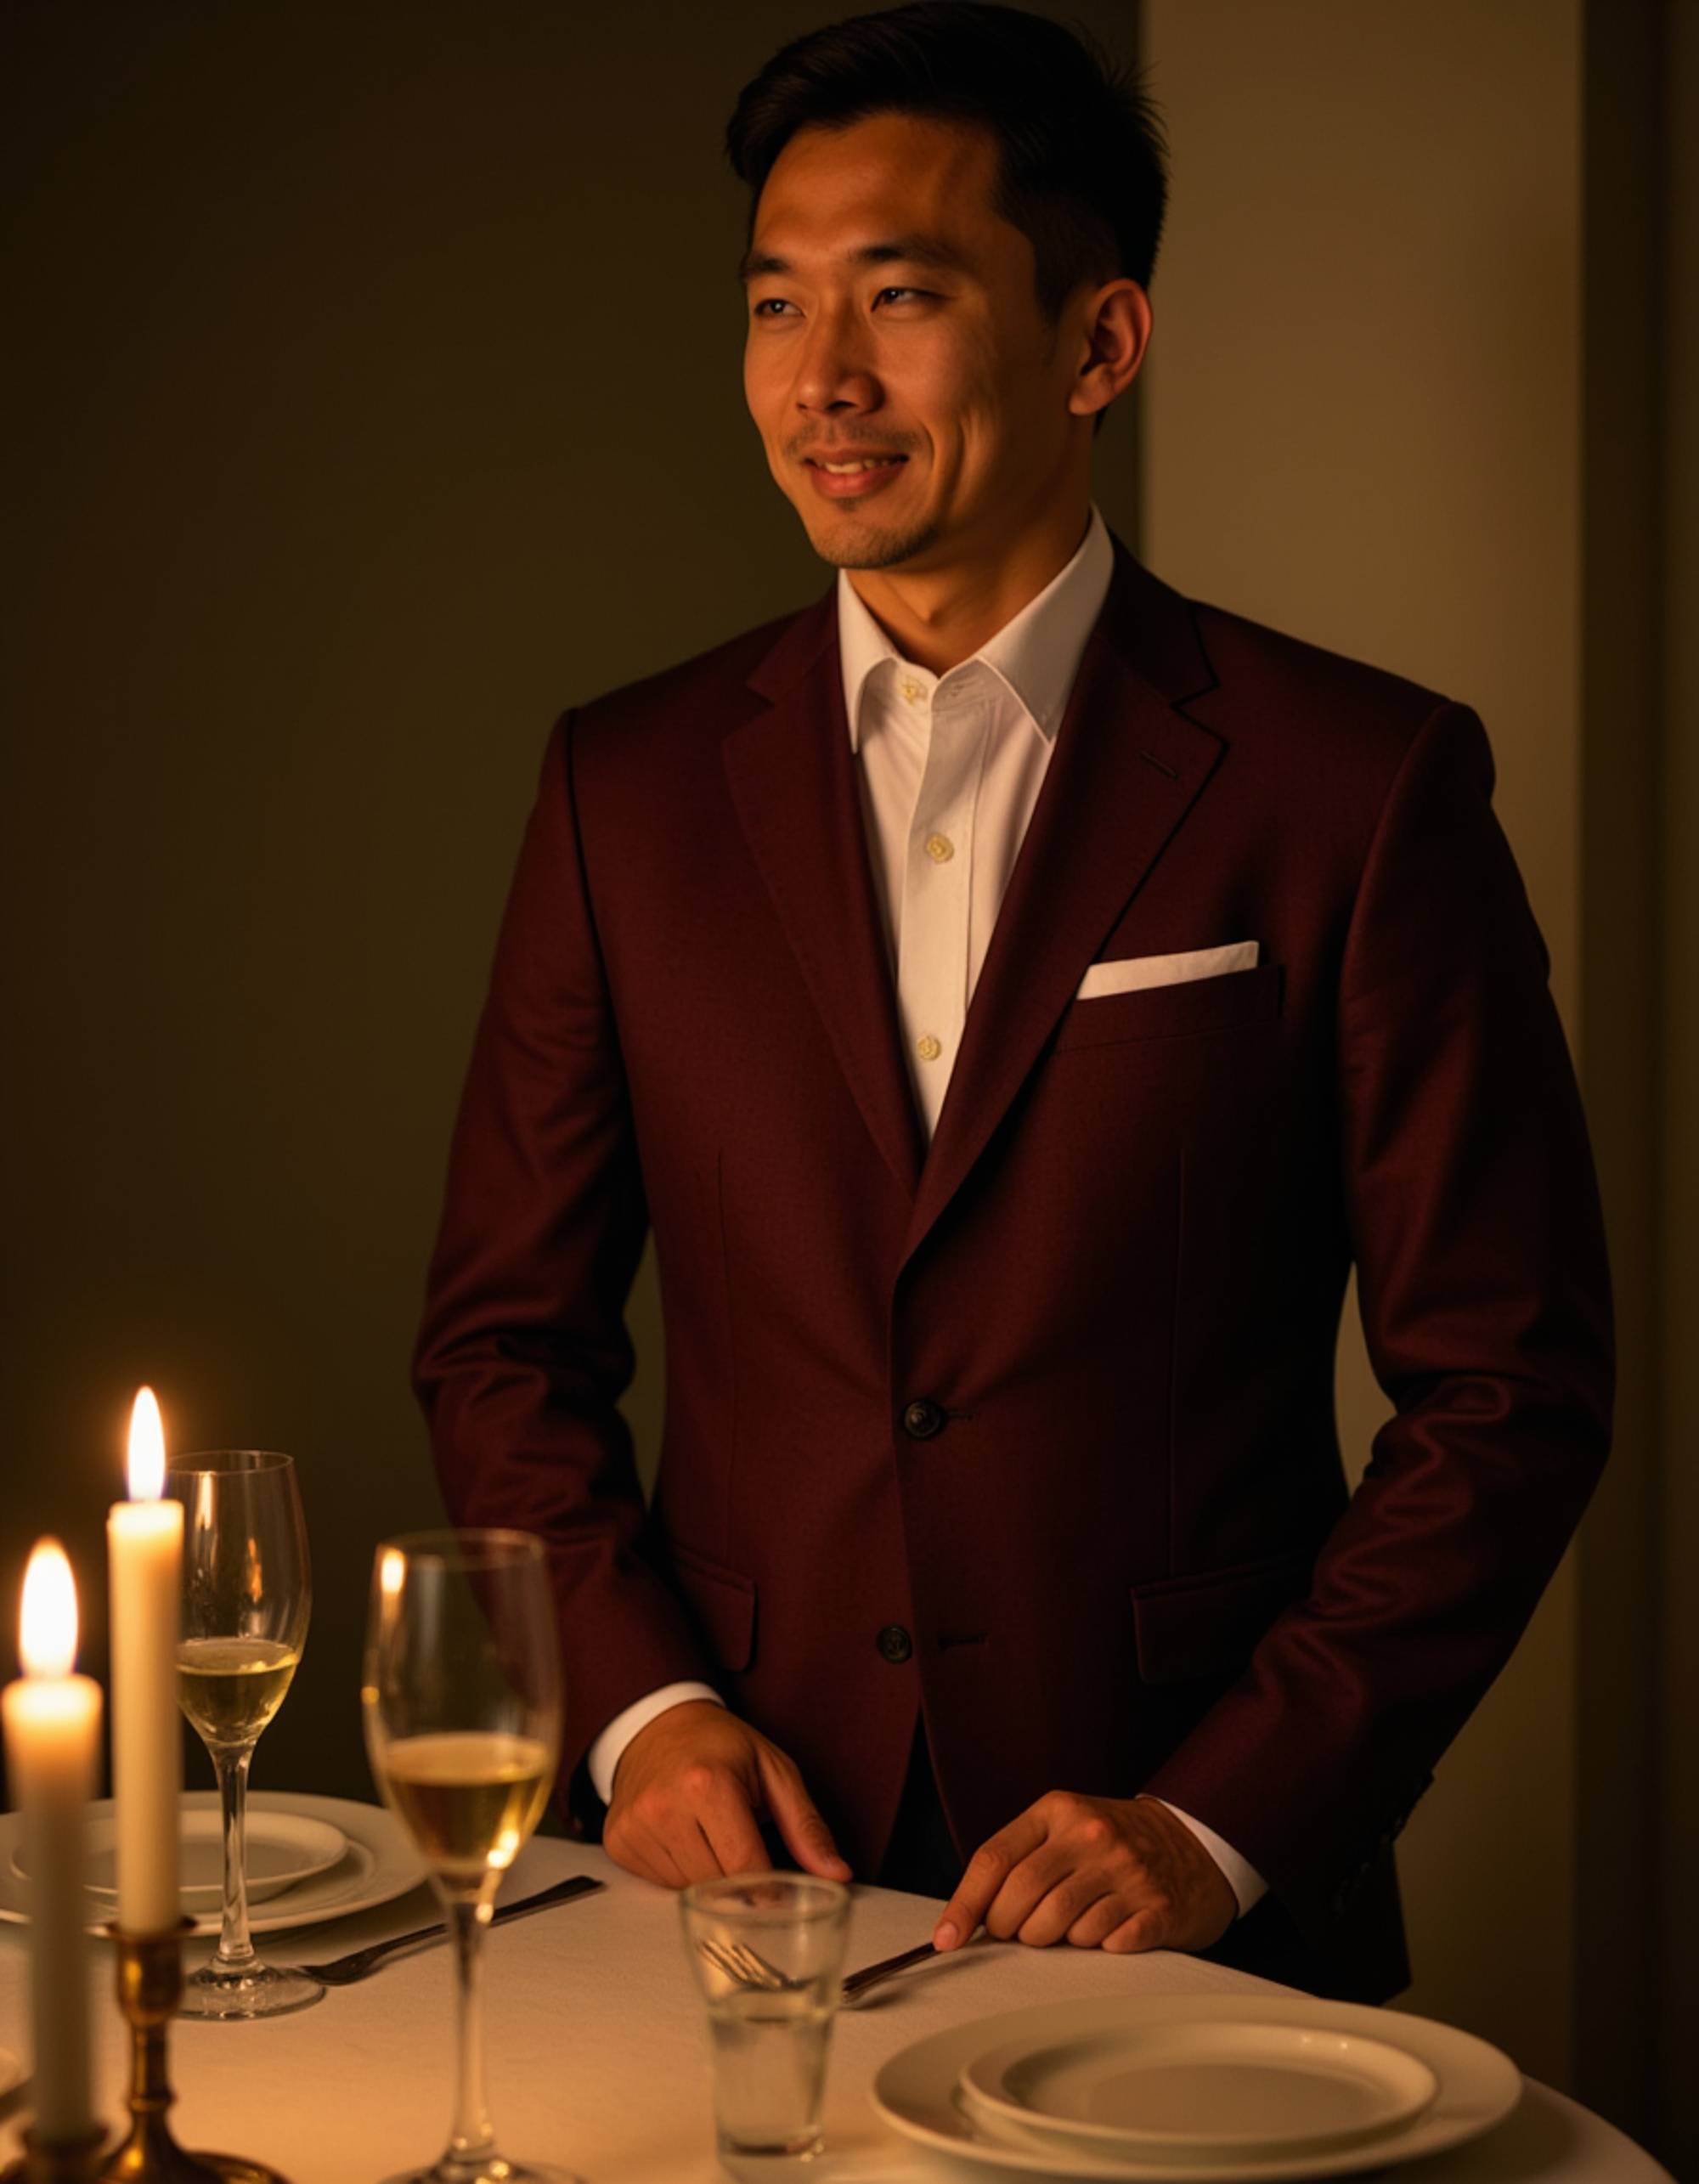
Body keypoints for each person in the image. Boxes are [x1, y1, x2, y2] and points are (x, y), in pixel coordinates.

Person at [414, 0, 1612, 2002]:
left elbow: (1509, 1388)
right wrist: (639, 1719)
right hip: (732, 1894)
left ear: (1098, 342)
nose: (825, 380)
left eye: (899, 298)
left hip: (1186, 1908)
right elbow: (500, 1344)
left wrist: (1221, 1815)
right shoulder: (617, 789)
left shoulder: (1355, 782)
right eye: (777, 307)